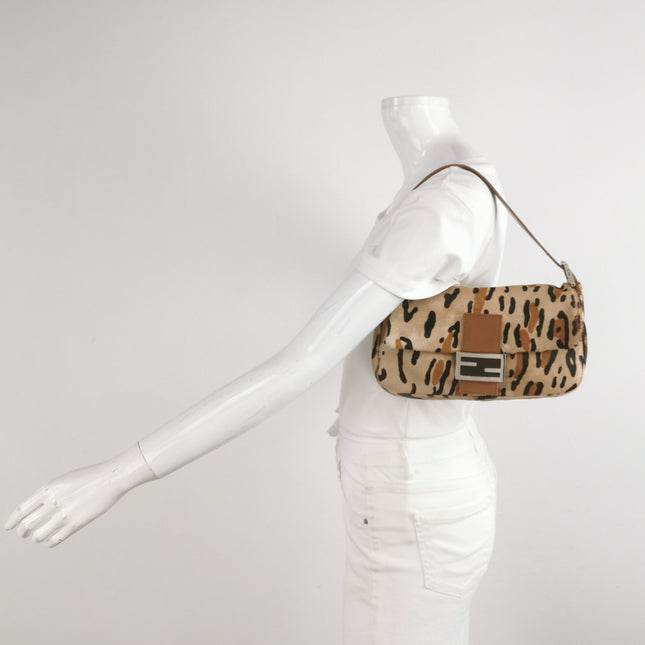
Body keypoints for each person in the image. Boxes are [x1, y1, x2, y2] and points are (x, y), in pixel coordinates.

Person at [5, 95, 505, 644]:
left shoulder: (443, 205)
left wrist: (118, 474)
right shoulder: (453, 179)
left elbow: (302, 361)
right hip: (418, 485)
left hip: (411, 499)